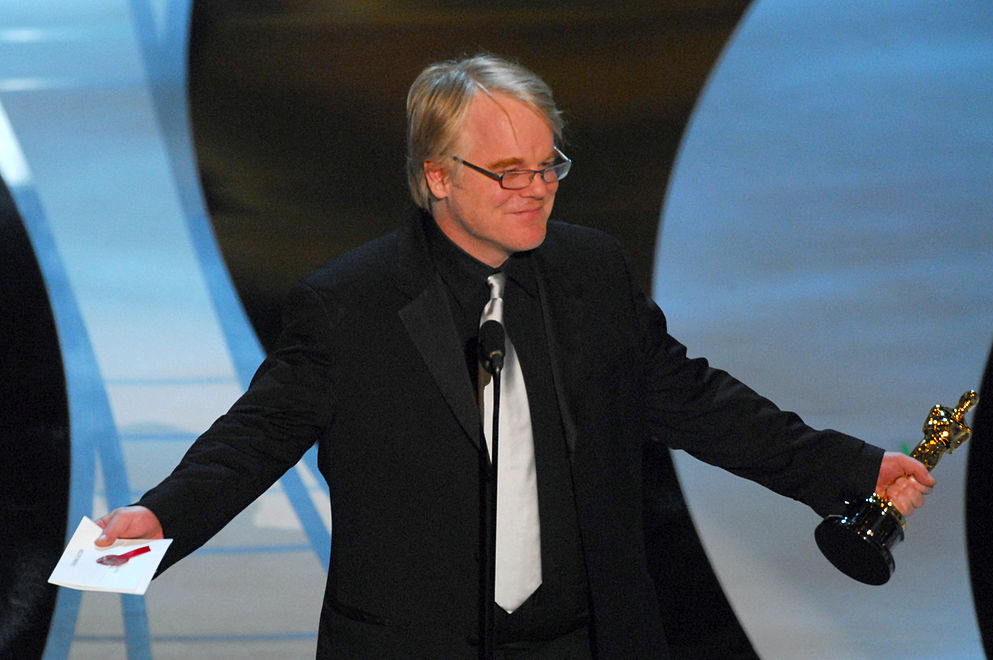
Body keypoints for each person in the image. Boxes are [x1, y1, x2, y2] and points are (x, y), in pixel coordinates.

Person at [96, 54, 933, 658]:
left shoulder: (591, 272)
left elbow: (695, 401)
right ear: (437, 177)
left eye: (548, 166)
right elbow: (258, 436)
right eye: (507, 172)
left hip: (587, 639)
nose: (536, 187)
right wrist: (158, 522)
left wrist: (851, 469)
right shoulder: (350, 304)